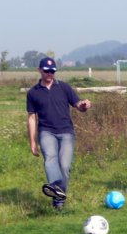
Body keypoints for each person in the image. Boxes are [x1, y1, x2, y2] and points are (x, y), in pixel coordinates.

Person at [26, 57, 91, 211]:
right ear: (39, 70)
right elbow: (31, 118)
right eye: (47, 71)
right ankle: (58, 199)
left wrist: (84, 105)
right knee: (50, 158)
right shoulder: (33, 93)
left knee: (64, 166)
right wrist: (33, 142)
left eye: (53, 71)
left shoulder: (64, 87)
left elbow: (78, 106)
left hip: (66, 132)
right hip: (46, 131)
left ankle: (58, 194)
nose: (50, 74)